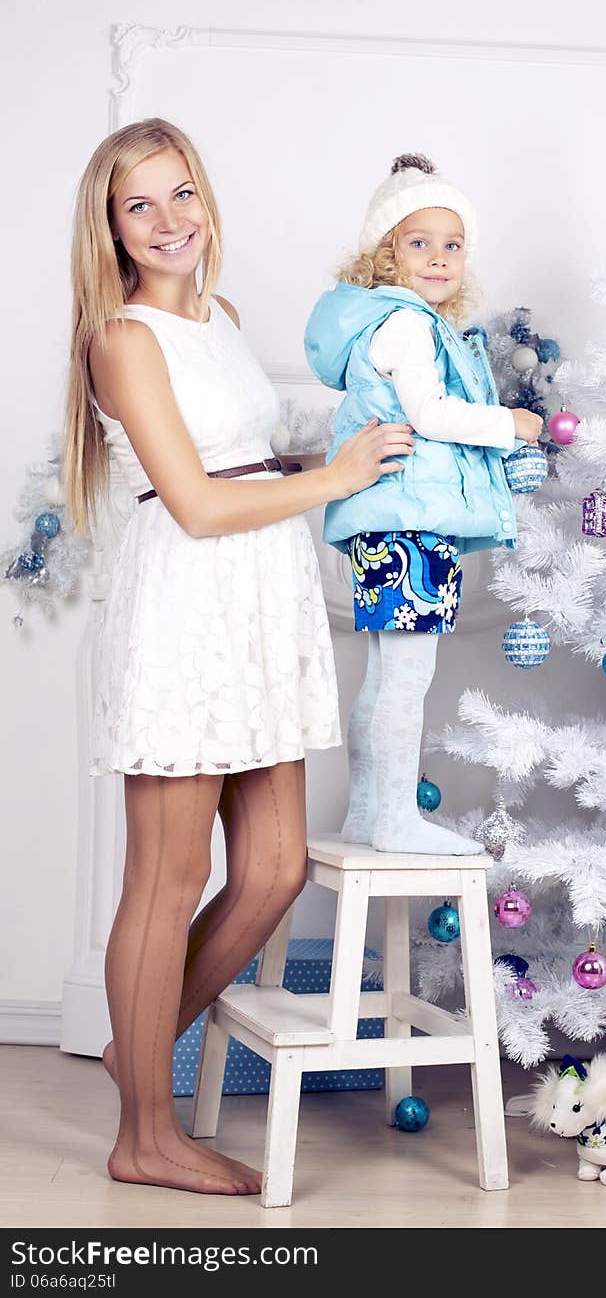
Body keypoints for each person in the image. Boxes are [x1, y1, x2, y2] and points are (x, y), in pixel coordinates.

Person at [62, 118, 413, 1195]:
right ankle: (144, 1134)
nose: (169, 221)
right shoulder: (122, 338)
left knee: (268, 871)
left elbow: (249, 460)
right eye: (140, 205)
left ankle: (139, 1050)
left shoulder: (221, 317)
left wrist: (347, 451)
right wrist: (338, 479)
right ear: (111, 230)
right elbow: (203, 504)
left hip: (263, 610)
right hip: (186, 614)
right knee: (166, 884)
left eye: (182, 195)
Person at [305, 154, 542, 855]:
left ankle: (371, 813)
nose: (439, 258)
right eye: (419, 243)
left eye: (453, 244)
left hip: (395, 517)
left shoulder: (412, 322)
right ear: (384, 255)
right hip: (407, 517)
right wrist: (512, 426)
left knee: (389, 670)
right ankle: (392, 817)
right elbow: (433, 413)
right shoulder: (405, 326)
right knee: (406, 672)